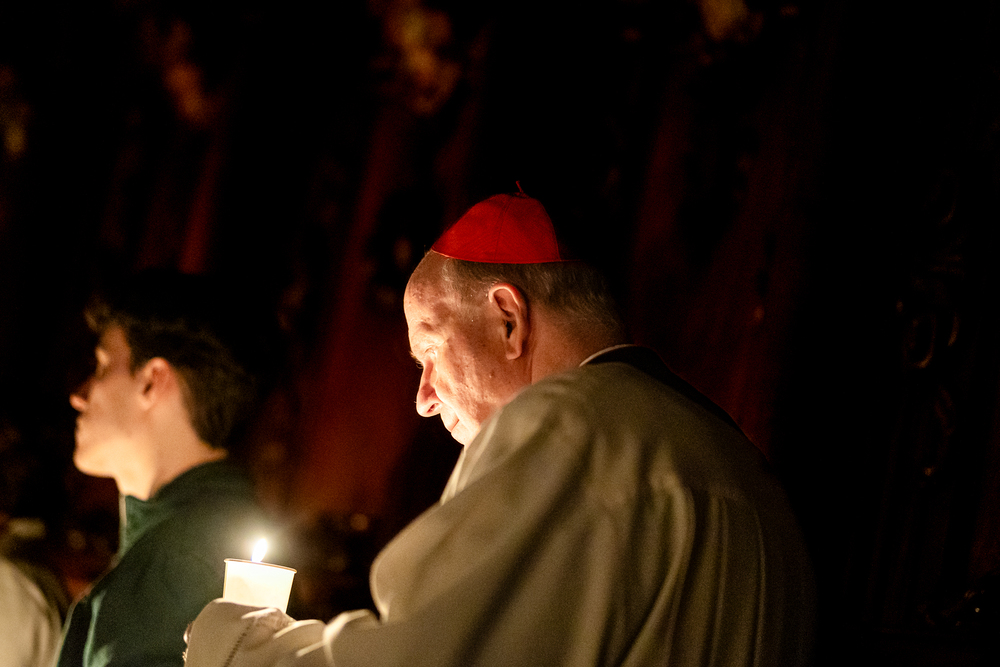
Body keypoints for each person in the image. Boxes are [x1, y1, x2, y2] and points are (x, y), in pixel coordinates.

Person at [184, 190, 816, 666]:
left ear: (508, 319)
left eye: (429, 352)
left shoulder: (567, 425)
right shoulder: (745, 467)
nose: (423, 400)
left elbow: (430, 660)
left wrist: (240, 646)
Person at [56, 270, 274, 667]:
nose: (79, 396)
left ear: (152, 381)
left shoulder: (181, 560)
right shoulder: (187, 539)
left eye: (102, 366)